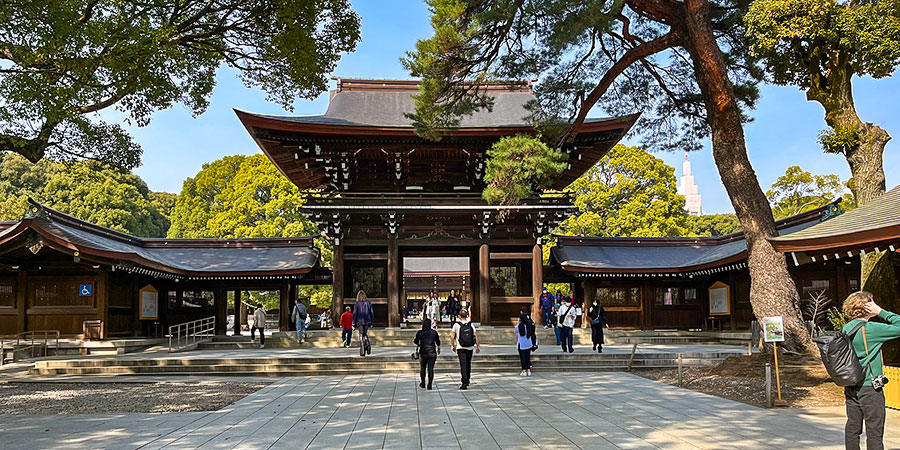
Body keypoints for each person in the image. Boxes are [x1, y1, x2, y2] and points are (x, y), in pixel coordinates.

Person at [841, 291, 900, 450]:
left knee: (853, 428)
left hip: (851, 385)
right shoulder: (871, 329)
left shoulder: (846, 329)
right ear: (868, 307)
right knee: (874, 430)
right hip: (870, 388)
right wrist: (881, 312)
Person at [451, 309, 480, 390]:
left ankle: (464, 382)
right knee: (468, 364)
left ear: (459, 316)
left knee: (463, 364)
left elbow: (452, 336)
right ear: (467, 316)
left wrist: (452, 345)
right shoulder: (471, 324)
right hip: (470, 347)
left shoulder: (456, 325)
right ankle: (467, 380)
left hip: (461, 347)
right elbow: (475, 335)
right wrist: (478, 346)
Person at [414, 318, 441, 390]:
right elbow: (438, 341)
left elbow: (415, 341)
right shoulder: (434, 332)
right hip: (432, 352)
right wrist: (438, 348)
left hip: (423, 352)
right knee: (430, 369)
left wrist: (419, 342)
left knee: (423, 368)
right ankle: (430, 384)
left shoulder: (420, 332)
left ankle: (423, 382)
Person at [515, 306, 537, 376]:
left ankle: (524, 370)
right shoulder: (529, 324)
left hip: (521, 344)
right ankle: (529, 370)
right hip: (528, 343)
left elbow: (515, 331)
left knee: (522, 357)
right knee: (528, 357)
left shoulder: (520, 324)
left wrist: (518, 322)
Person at [353, 290, 374, 356]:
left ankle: (362, 348)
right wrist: (372, 322)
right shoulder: (368, 303)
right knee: (365, 333)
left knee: (361, 334)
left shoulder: (357, 303)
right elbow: (371, 312)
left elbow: (355, 313)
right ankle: (367, 344)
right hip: (367, 320)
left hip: (360, 321)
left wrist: (353, 323)